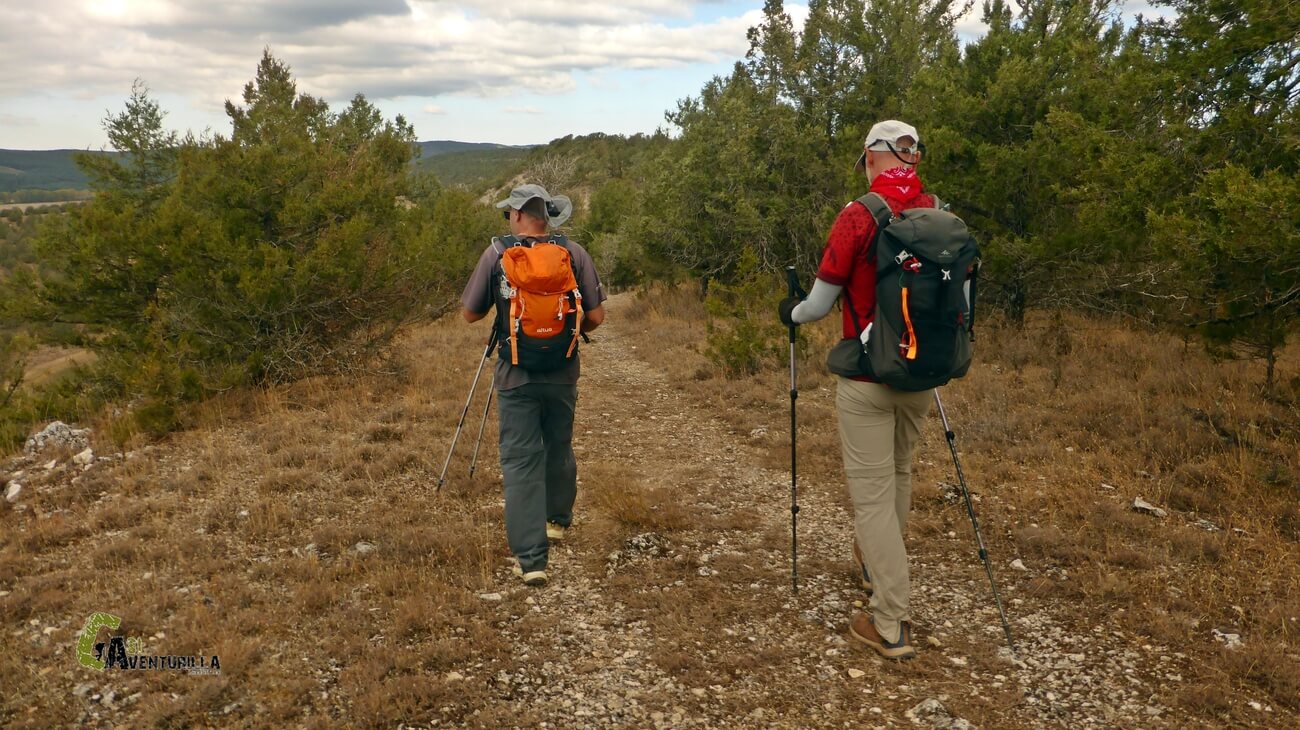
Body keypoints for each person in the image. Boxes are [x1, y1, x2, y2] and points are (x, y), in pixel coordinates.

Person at [778, 120, 936, 660]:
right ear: (912, 159)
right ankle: (876, 567)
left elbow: (819, 306)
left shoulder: (858, 215)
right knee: (898, 474)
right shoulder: (939, 212)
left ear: (872, 157)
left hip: (868, 376)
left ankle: (890, 620)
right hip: (922, 372)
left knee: (870, 496)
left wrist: (791, 313)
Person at [461, 184, 607, 587]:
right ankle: (557, 521)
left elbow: (470, 314)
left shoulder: (496, 254)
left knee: (521, 459)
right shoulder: (574, 254)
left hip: (516, 375)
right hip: (562, 372)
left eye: (509, 211)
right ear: (549, 215)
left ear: (519, 214)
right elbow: (596, 317)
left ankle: (531, 559)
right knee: (558, 444)